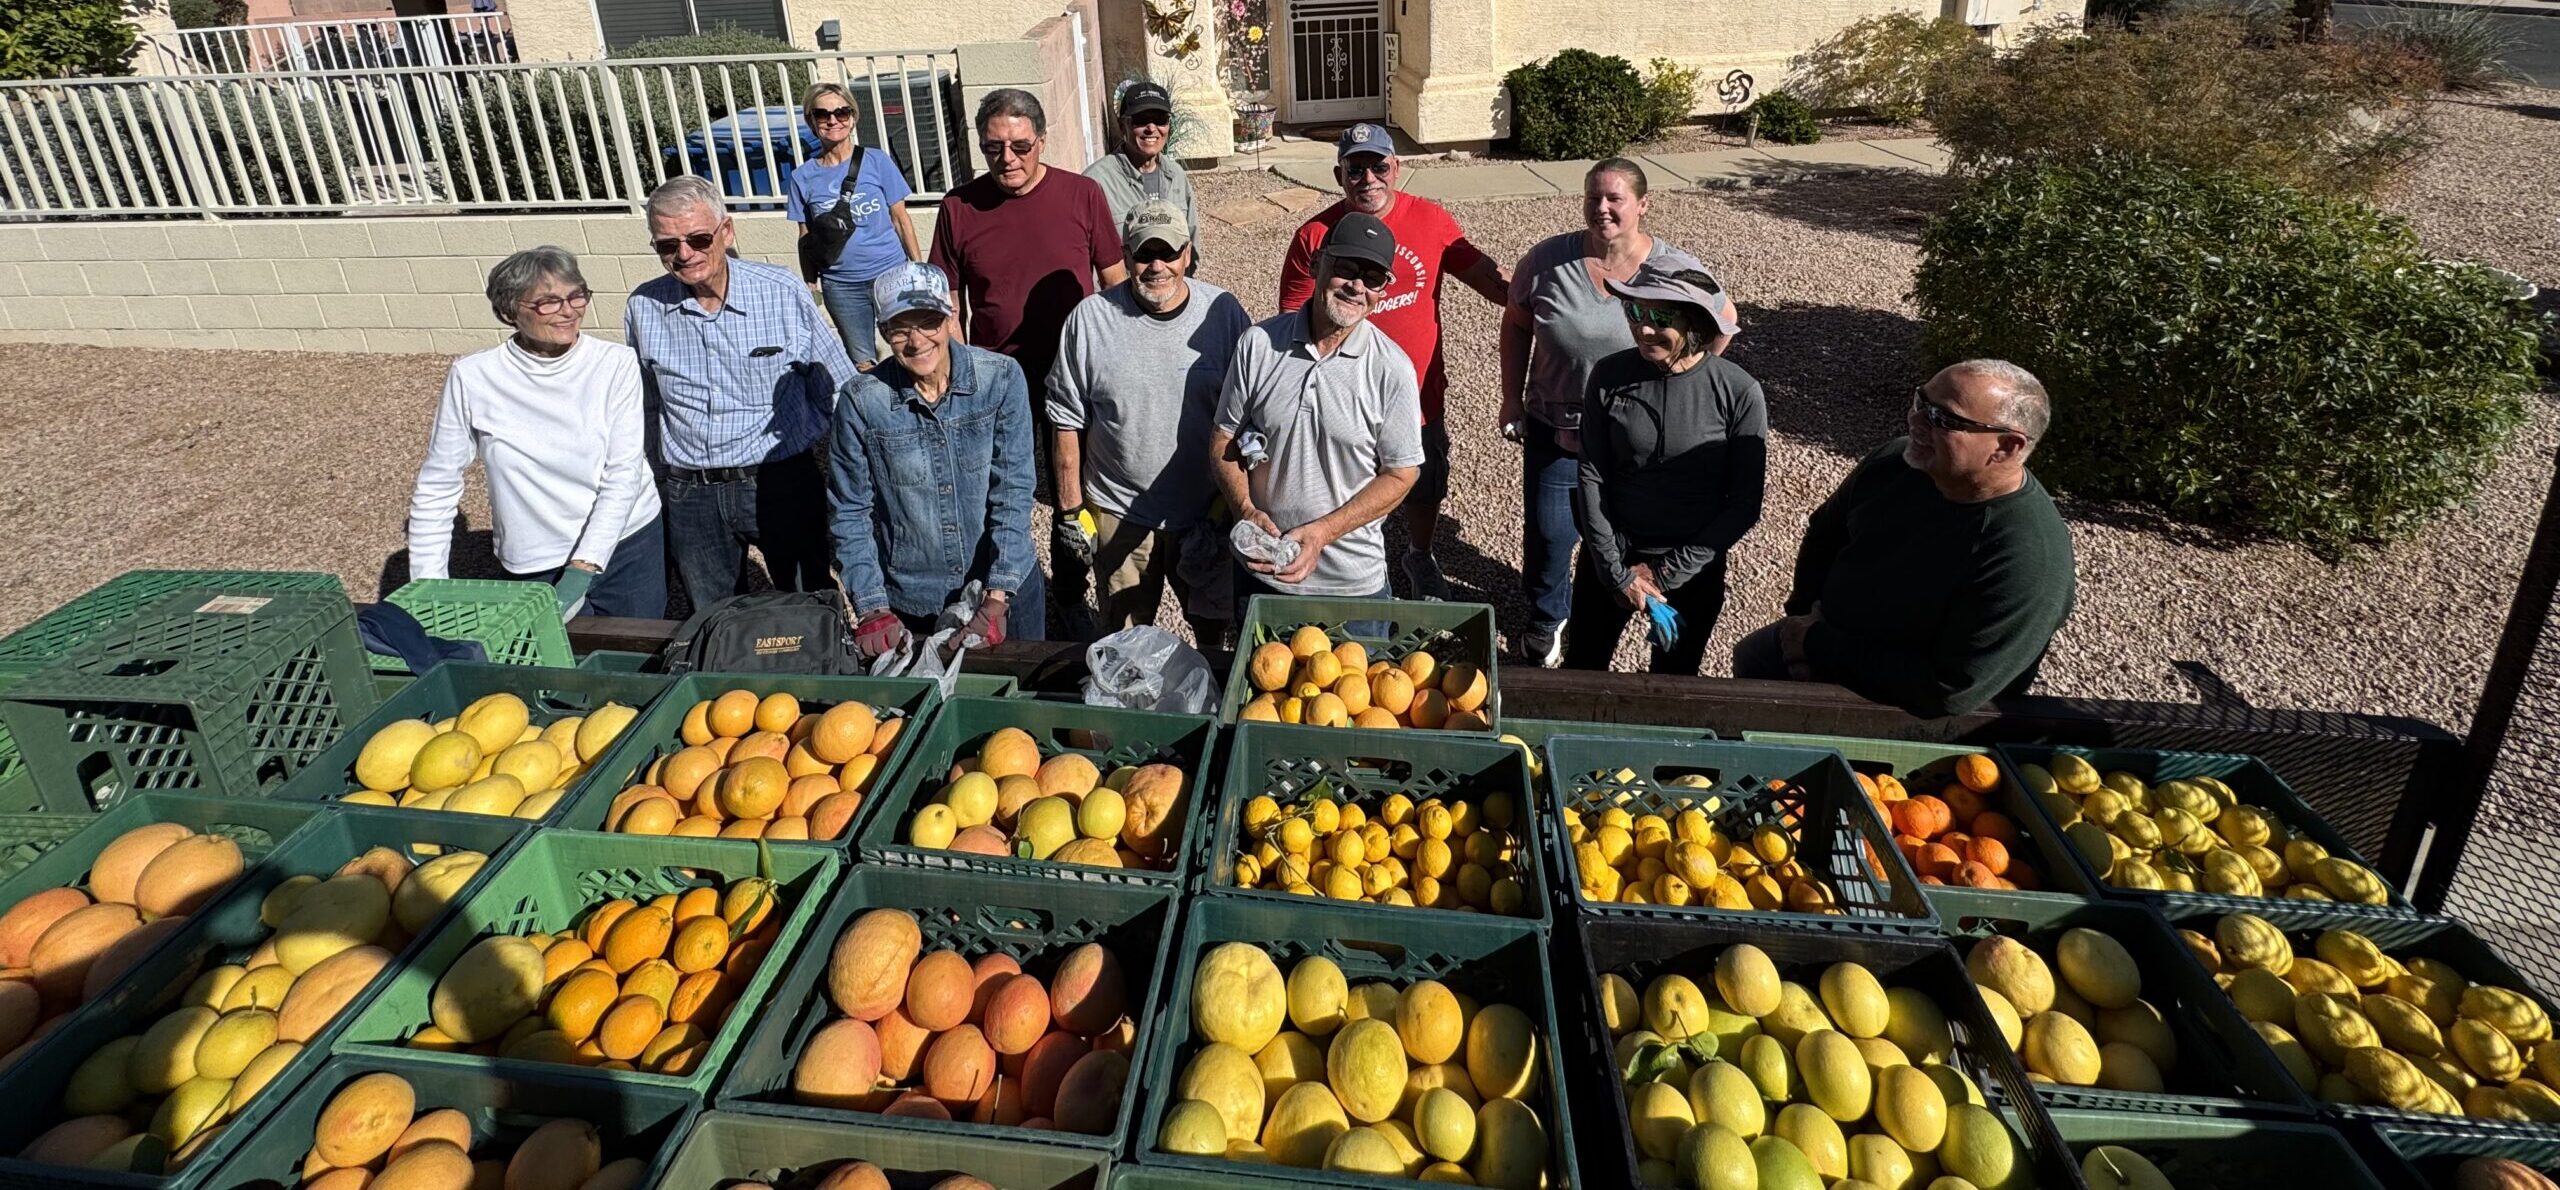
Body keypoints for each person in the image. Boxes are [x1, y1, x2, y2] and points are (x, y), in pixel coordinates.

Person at [1732, 360, 2077, 718]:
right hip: (1820, 640)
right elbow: (1824, 534)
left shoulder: (2026, 556)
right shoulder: (1896, 463)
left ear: (2007, 447)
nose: (1916, 421)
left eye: (1943, 419)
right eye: (1920, 402)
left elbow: (1950, 689)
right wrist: (1801, 621)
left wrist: (1814, 645)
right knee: (1750, 661)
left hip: (1905, 708)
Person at [1499, 158, 1729, 668]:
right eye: (1592, 199)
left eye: (1615, 199)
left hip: (1634, 446)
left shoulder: (1672, 269)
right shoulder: (1545, 261)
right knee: (1549, 536)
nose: (1601, 209)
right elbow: (1515, 324)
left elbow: (1723, 324)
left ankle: (1633, 623)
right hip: (1557, 432)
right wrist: (1511, 398)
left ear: (1643, 206)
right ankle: (1545, 619)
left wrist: (1684, 382)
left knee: (1619, 541)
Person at [1278, 122, 1507, 601]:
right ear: (1338, 173)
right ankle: (1347, 566)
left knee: (1422, 480)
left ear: (1396, 168)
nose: (1368, 178)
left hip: (1418, 390)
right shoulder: (1315, 235)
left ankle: (1419, 555)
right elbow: (1290, 320)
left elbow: (1490, 280)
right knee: (1342, 488)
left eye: (1378, 165)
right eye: (1355, 168)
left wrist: (1554, 301)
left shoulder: (1432, 221)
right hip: (1341, 396)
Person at [931, 87, 1128, 636]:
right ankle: (997, 586)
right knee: (996, 488)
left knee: (1078, 491)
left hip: (1075, 376)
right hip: (996, 379)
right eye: (994, 147)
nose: (1008, 159)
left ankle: (1069, 587)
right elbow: (948, 302)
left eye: (1020, 145)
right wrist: (954, 375)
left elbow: (1114, 283)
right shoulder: (958, 208)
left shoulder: (1082, 195)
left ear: (1041, 141)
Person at [625, 175, 856, 612]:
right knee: (715, 617)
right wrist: (656, 479)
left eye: (697, 238)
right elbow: (646, 405)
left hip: (779, 478)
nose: (685, 254)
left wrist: (847, 473)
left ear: (726, 232)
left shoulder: (780, 291)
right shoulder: (643, 307)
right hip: (692, 492)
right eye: (667, 245)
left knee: (810, 607)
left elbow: (837, 383)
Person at [409, 246, 665, 618]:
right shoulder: (474, 377)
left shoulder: (614, 364)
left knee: (635, 655)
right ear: (508, 312)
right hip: (535, 558)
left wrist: (584, 565)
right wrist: (428, 589)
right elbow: (438, 484)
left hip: (627, 543)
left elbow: (623, 471)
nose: (568, 311)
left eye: (576, 296)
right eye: (548, 302)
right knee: (553, 670)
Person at [1047, 198, 1250, 640]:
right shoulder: (1091, 320)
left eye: (1169, 252)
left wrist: (1235, 505)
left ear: (1189, 253)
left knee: (1214, 635)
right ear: (1125, 255)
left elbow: (1253, 413)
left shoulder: (1224, 314)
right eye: (1144, 254)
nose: (1157, 266)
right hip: (1121, 513)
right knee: (1124, 639)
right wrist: (1069, 513)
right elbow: (1065, 420)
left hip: (1206, 514)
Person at [829, 261, 1045, 658]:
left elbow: (1012, 490)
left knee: (1020, 707)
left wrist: (998, 594)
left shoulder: (1000, 379)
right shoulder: (862, 401)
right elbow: (850, 510)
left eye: (928, 321)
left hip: (1003, 585)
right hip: (913, 600)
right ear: (882, 332)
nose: (916, 341)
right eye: (900, 328)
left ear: (949, 317)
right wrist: (872, 606)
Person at [1565, 255, 1763, 675]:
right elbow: (1592, 473)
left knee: (1674, 684)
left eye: (1660, 317)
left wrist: (1663, 574)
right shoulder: (1608, 375)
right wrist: (1616, 573)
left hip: (1692, 571)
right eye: (1635, 311)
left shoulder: (1740, 392)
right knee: (1582, 670)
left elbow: (1743, 504)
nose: (1643, 328)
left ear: (1697, 326)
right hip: (1610, 558)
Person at [1212, 213, 1423, 601]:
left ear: (1382, 292)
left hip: (1353, 588)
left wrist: (1323, 532)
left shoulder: (1392, 369)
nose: (1357, 286)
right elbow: (1224, 439)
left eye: (1373, 278)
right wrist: (1245, 509)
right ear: (1315, 264)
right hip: (1263, 575)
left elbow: (1401, 474)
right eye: (1345, 268)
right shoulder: (1258, 345)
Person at [788, 82, 923, 366]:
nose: (833, 120)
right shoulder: (803, 177)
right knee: (863, 362)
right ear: (811, 121)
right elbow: (806, 237)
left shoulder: (877, 161)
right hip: (841, 286)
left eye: (842, 112)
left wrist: (917, 268)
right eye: (823, 114)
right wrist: (810, 286)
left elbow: (901, 219)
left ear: (853, 116)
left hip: (891, 274)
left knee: (911, 350)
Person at [1084, 81, 1201, 273]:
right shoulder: (1096, 183)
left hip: (1170, 291)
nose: (1151, 128)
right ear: (1124, 125)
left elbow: (1191, 240)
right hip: (1122, 298)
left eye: (1160, 119)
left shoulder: (1176, 176)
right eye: (1142, 119)